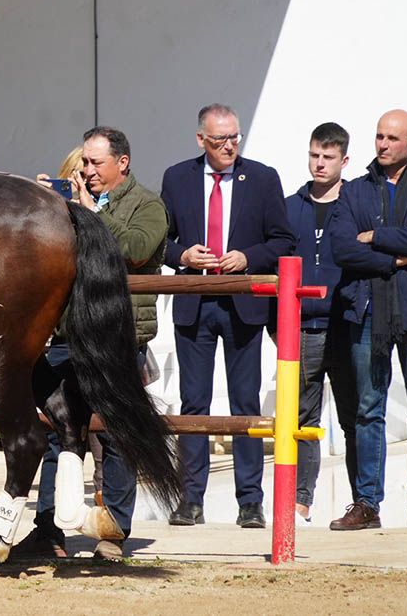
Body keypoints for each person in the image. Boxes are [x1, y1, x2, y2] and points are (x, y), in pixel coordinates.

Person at [19, 127, 168, 559]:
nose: (87, 171)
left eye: (95, 163)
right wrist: (44, 206)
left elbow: (137, 249)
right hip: (68, 333)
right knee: (54, 432)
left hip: (119, 337)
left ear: (122, 163)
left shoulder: (148, 204)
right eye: (84, 162)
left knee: (119, 435)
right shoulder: (70, 203)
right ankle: (48, 529)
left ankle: (114, 532)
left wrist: (91, 213)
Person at [160, 103, 293, 528]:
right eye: (220, 140)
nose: (230, 146)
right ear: (201, 139)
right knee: (194, 402)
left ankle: (250, 501)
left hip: (243, 303)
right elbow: (160, 240)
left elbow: (283, 241)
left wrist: (247, 257)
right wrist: (183, 254)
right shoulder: (177, 177)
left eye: (235, 137)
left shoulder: (263, 177)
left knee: (245, 402)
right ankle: (190, 498)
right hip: (195, 302)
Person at [328, 109, 407, 531]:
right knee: (368, 409)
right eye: (378, 137)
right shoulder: (355, 192)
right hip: (368, 310)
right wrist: (397, 255)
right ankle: (366, 503)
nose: (384, 144)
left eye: (393, 138)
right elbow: (342, 248)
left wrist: (375, 236)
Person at [276, 122, 357, 523]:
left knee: (355, 416)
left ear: (344, 160)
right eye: (314, 155)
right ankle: (299, 503)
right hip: (302, 330)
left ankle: (364, 502)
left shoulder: (357, 202)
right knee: (300, 419)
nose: (319, 164)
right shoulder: (290, 207)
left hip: (347, 328)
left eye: (327, 157)